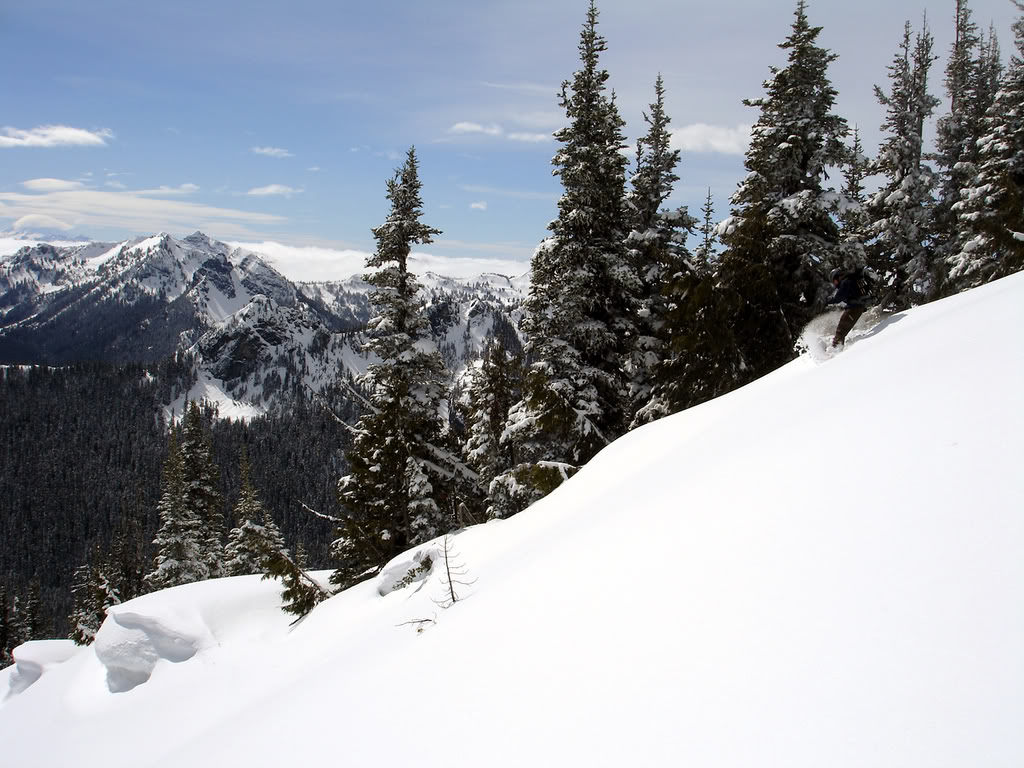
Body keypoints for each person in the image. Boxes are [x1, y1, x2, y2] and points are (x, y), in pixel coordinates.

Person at [825, 268, 868, 347]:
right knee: (842, 328)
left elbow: (838, 298)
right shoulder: (850, 280)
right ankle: (837, 347)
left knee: (841, 330)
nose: (835, 284)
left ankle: (835, 350)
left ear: (837, 277)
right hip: (857, 307)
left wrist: (827, 300)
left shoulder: (846, 282)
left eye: (834, 281)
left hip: (854, 308)